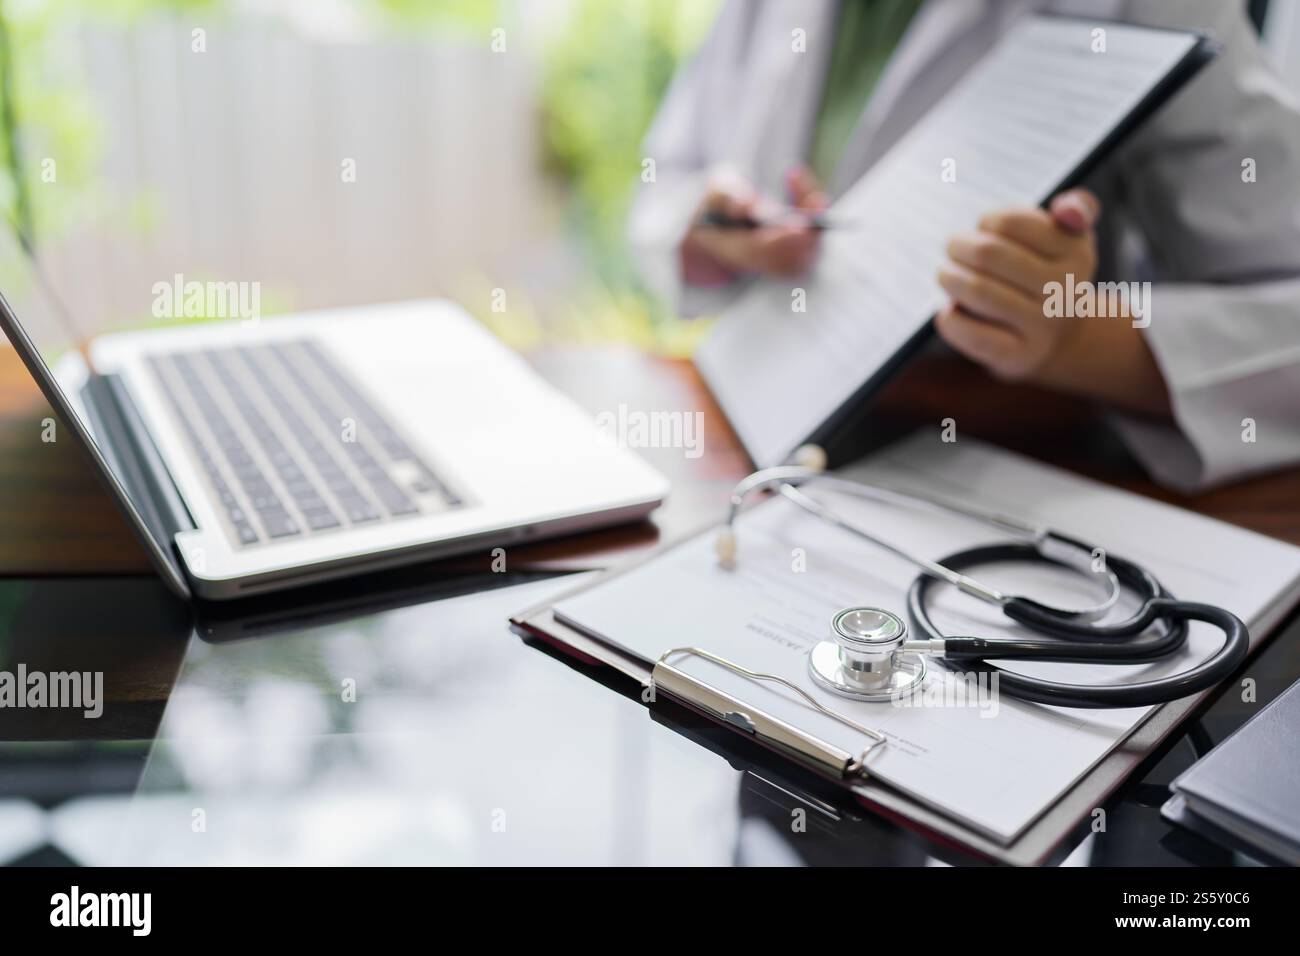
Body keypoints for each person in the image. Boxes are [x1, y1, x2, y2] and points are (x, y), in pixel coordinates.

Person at [628, 0, 1300, 491]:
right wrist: (716, 230)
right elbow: (666, 182)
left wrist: (1075, 337)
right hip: (749, 432)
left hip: (992, 465)